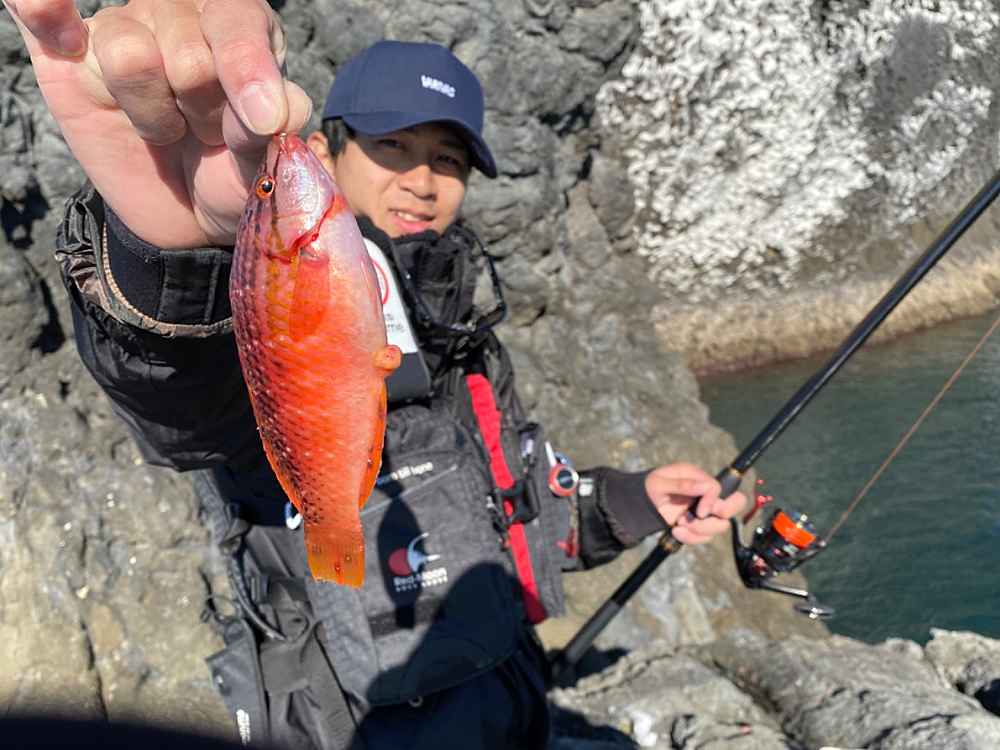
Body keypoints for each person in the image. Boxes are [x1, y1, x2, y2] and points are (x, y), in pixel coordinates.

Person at [6, 1, 748, 748]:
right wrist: (168, 258)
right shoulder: (275, 267)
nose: (423, 180)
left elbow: (504, 511)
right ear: (326, 153)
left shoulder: (463, 325)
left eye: (449, 160)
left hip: (510, 707)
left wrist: (624, 502)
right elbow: (185, 405)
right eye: (393, 146)